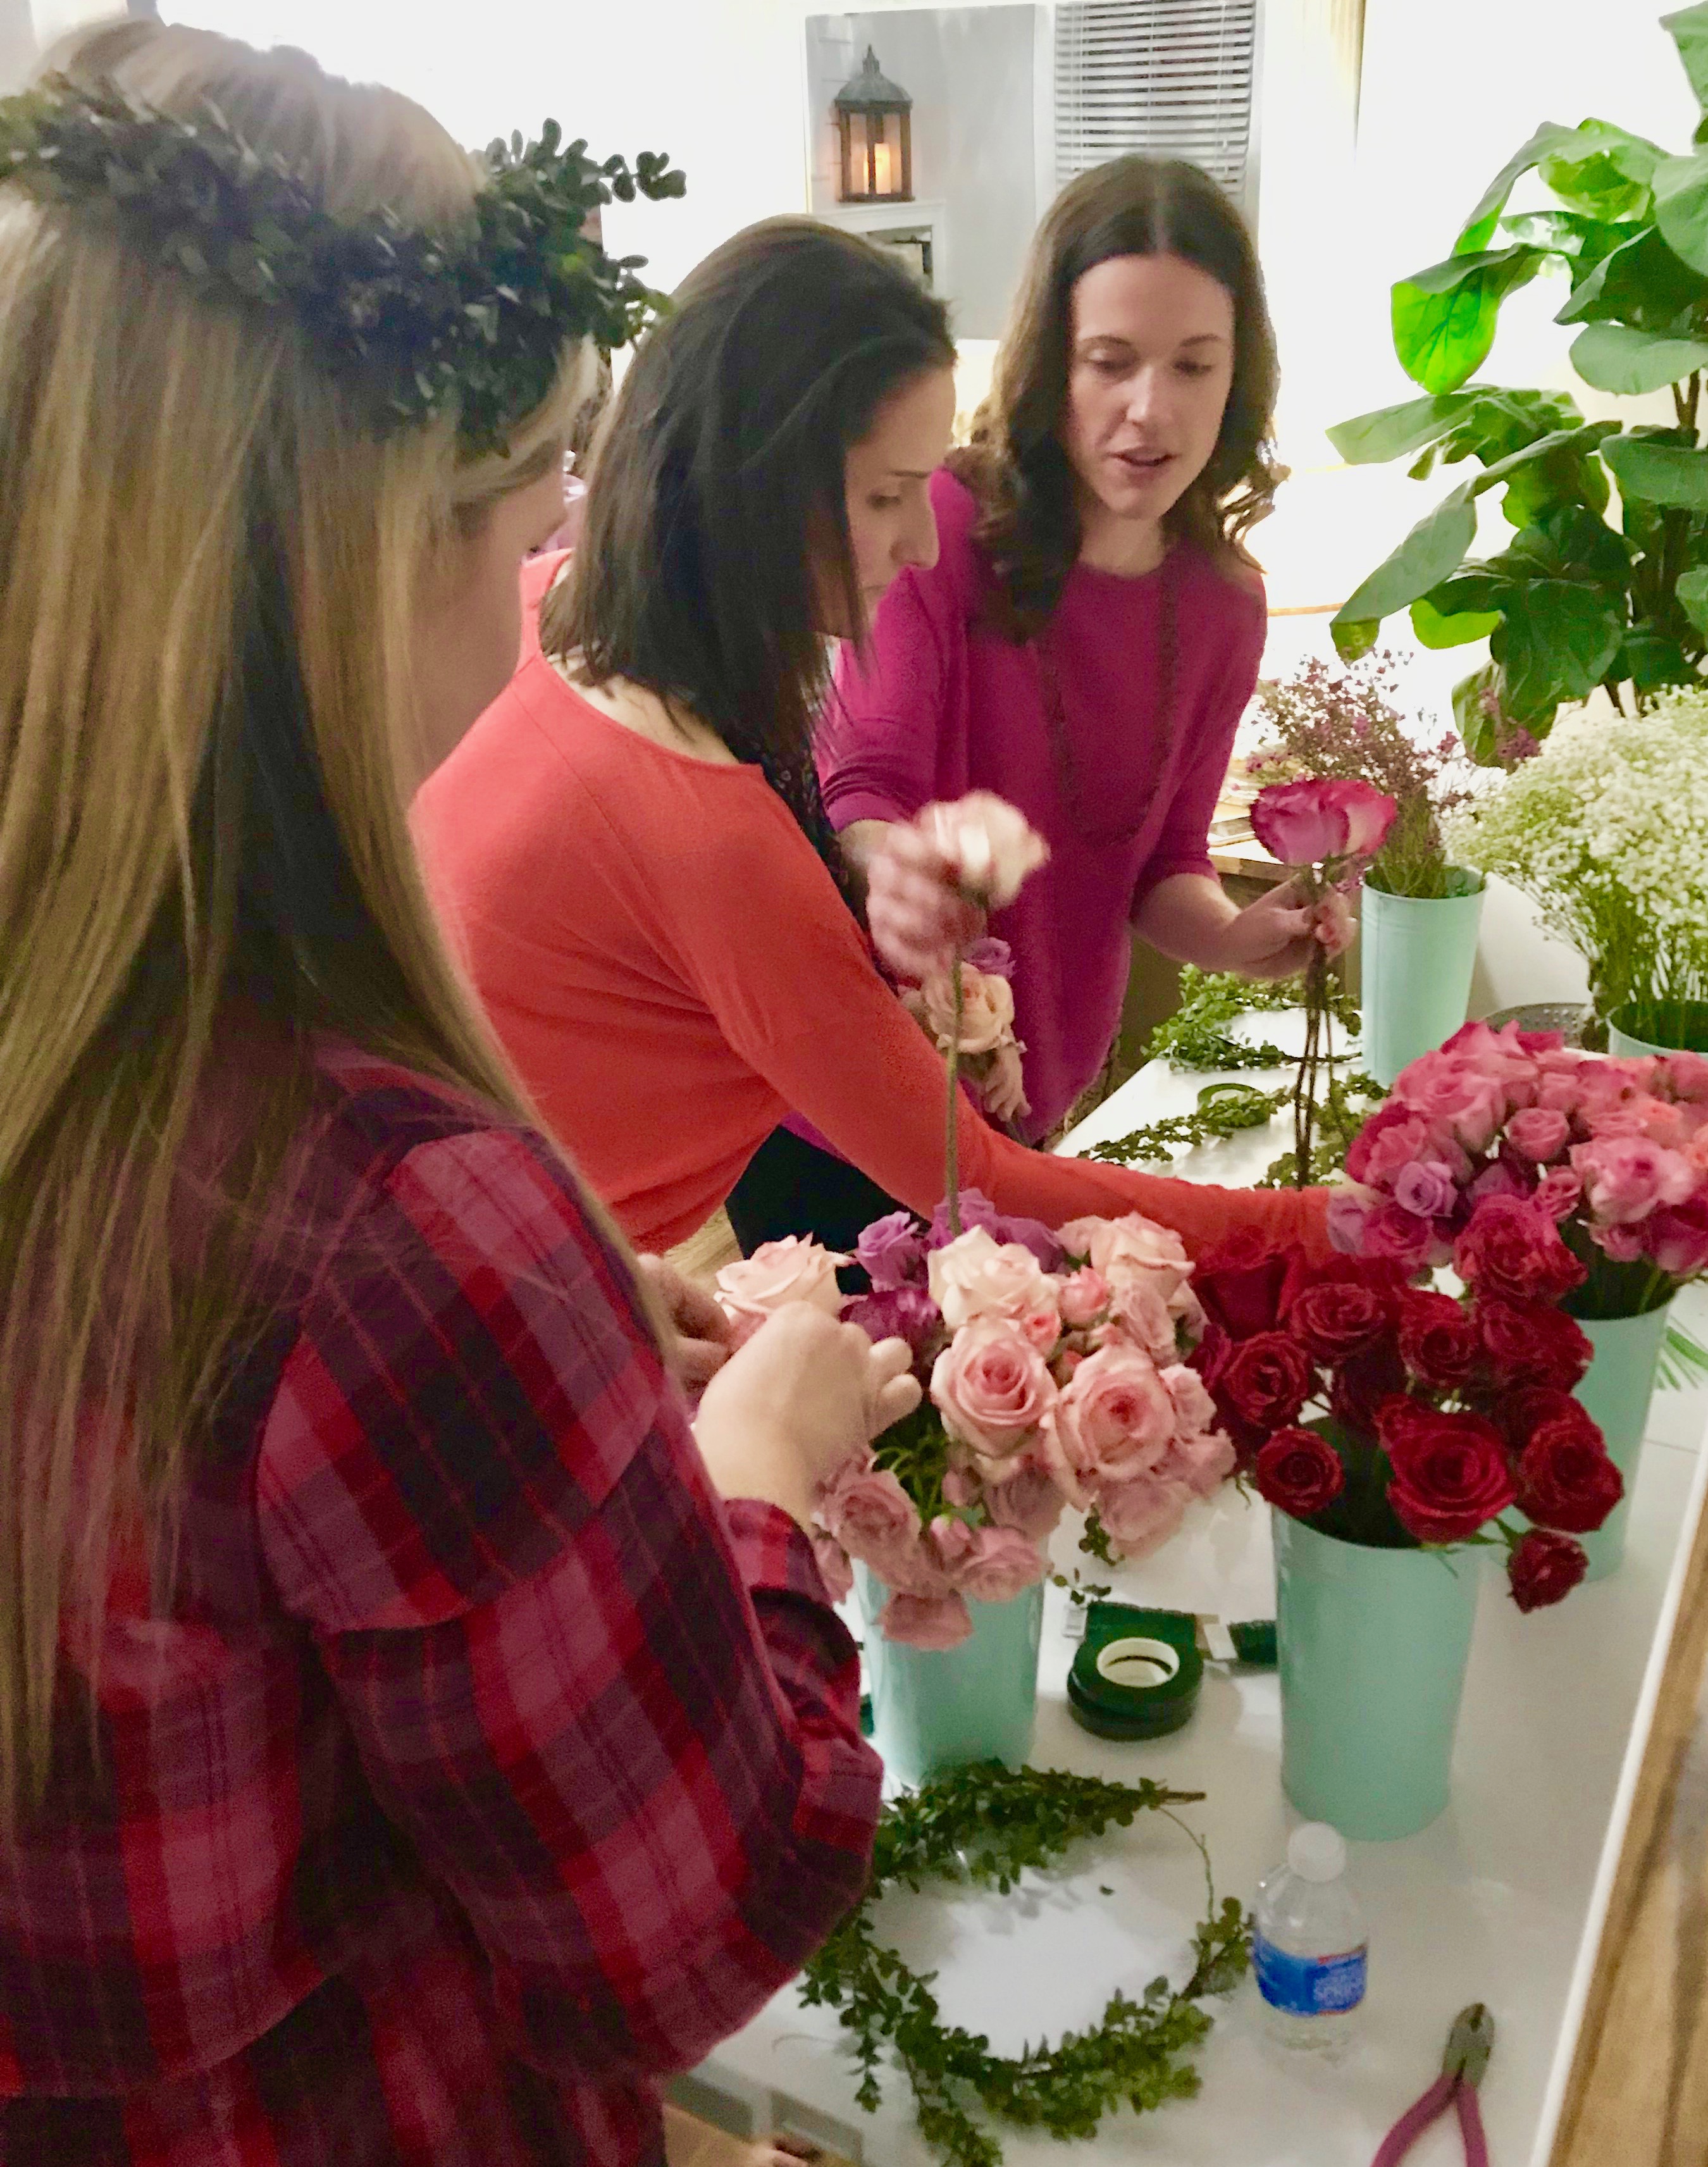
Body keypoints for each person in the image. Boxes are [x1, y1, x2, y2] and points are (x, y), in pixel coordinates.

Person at [0, 23, 915, 2164]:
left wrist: (571, 1317)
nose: (554, 558)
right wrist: (756, 1477)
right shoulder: (399, 1230)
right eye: (538, 492)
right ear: (383, 547)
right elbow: (679, 1940)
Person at [416, 218, 1330, 1265]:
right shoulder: (711, 839)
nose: (924, 539)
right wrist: (1328, 1228)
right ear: (759, 487)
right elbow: (980, 1184)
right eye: (889, 497)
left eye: (1196, 365)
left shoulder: (549, 610)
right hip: (532, 1298)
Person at [819, 156, 1353, 1163]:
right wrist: (899, 873)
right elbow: (865, 788)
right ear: (1051, 366)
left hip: (1034, 1096)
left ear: (1239, 377)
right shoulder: (942, 530)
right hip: (861, 1092)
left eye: (1193, 365)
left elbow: (1162, 866)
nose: (1150, 410)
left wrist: (1240, 938)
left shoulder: (1226, 605)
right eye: (1111, 360)